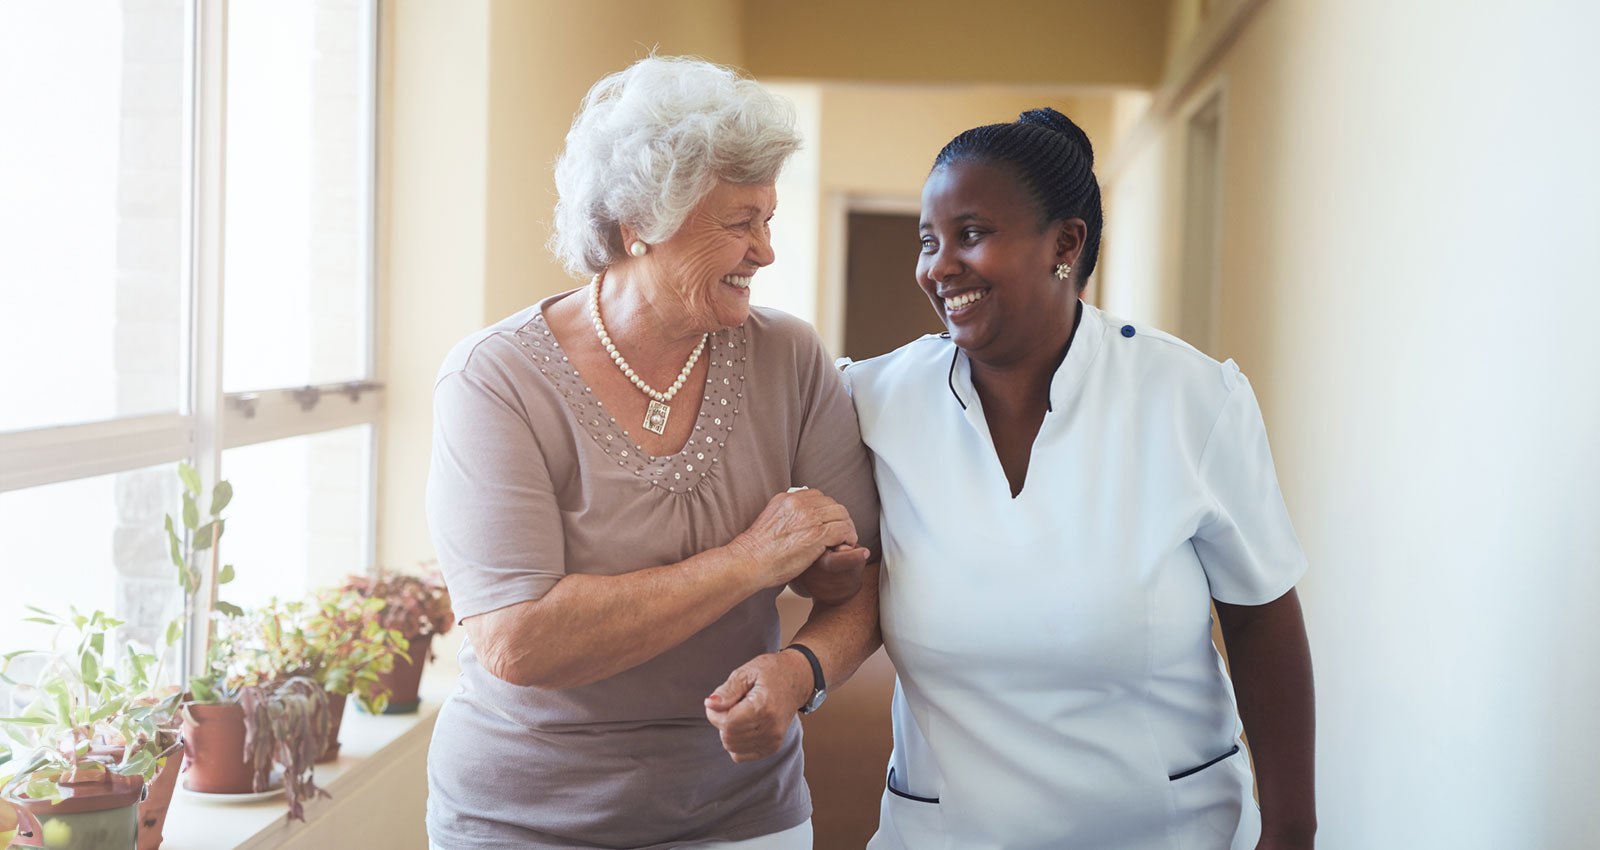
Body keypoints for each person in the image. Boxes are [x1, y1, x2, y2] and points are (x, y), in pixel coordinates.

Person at [424, 57, 884, 850]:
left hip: (741, 811)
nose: (766, 251)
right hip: (524, 819)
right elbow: (519, 641)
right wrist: (751, 561)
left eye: (768, 219)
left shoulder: (790, 358)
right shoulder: (494, 378)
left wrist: (800, 670)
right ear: (640, 221)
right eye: (740, 223)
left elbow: (871, 577)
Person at [844, 108, 1317, 850]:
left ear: (1066, 243)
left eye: (970, 234)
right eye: (928, 241)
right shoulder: (873, 404)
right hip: (944, 832)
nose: (937, 266)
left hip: (1164, 831)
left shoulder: (1190, 398)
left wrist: (1292, 830)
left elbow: (1260, 616)